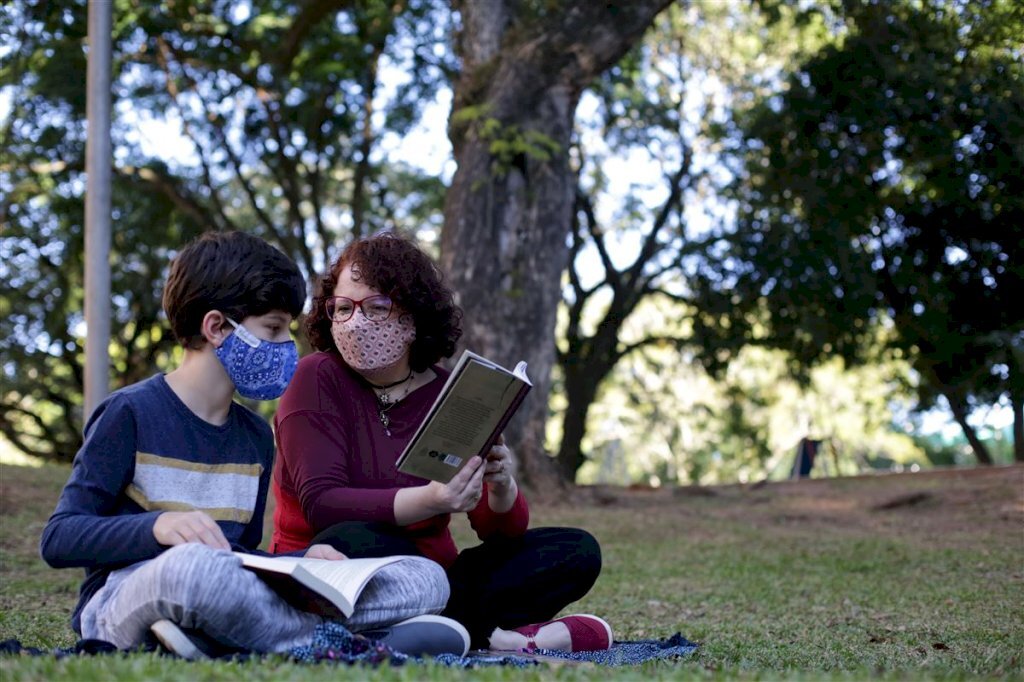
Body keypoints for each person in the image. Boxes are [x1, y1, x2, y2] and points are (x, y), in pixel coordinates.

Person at [40, 231, 469, 660]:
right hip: (129, 596)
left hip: (226, 590)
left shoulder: (255, 435)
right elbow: (60, 537)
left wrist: (305, 559)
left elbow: (240, 556)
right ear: (216, 328)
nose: (286, 346)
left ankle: (231, 639)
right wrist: (157, 527)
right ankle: (339, 643)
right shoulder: (129, 413)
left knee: (424, 578)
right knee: (193, 569)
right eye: (274, 328)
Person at [270, 231, 612, 653]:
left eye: (376, 306)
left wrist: (500, 485)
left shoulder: (454, 391)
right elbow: (322, 505)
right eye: (343, 308)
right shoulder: (315, 377)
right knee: (353, 539)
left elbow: (498, 532)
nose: (356, 322)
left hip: (438, 574)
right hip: (336, 563)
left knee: (575, 550)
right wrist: (431, 500)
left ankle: (441, 626)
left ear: (413, 315)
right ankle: (492, 634)